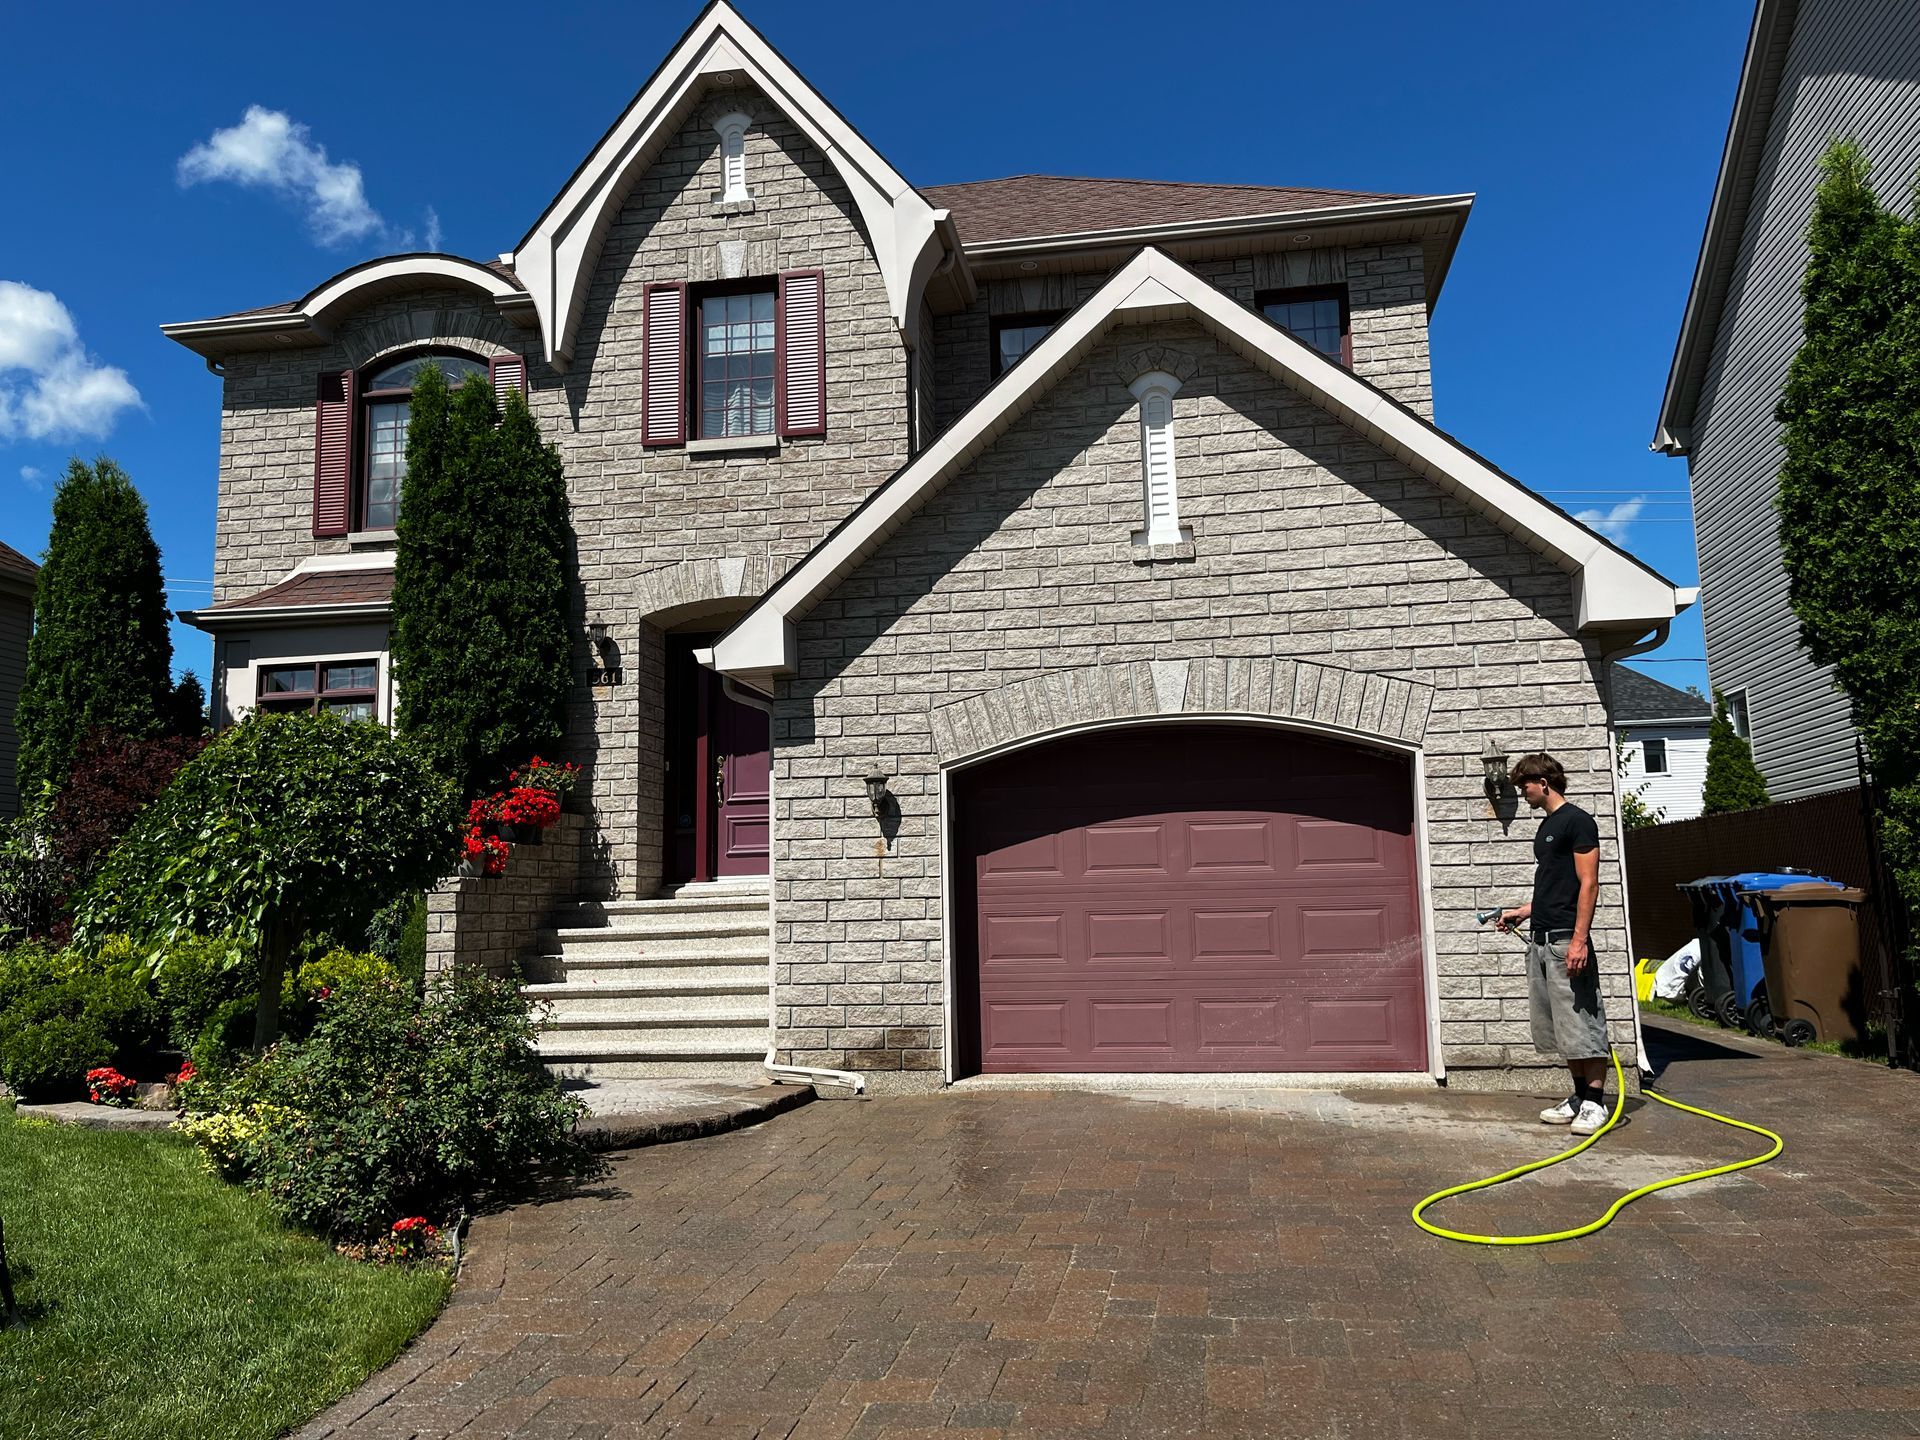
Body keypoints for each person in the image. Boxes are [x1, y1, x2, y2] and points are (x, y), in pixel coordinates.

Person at [1495, 752, 1610, 1136]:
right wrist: (1523, 912)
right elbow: (1554, 887)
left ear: (1543, 783)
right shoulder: (1548, 826)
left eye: (1524, 786)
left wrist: (1579, 941)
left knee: (1583, 1022)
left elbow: (1588, 884)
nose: (1522, 793)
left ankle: (1595, 1102)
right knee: (1562, 1027)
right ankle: (1578, 1096)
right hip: (1542, 940)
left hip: (1565, 941)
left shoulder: (1577, 821)